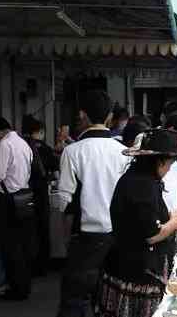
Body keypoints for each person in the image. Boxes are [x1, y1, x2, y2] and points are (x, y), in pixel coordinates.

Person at [95, 129, 177, 317]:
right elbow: (150, 235)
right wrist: (175, 223)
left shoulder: (140, 179)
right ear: (160, 160)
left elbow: (145, 217)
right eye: (170, 164)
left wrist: (173, 217)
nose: (169, 169)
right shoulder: (143, 184)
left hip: (126, 267)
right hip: (136, 272)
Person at [55, 89, 130, 317]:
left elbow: (64, 201)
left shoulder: (72, 151)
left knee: (75, 299)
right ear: (109, 117)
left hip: (86, 238)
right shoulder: (124, 152)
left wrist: (66, 239)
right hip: (118, 236)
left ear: (82, 115)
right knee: (110, 297)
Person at [0, 117, 35, 300]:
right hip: (24, 196)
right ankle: (25, 285)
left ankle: (16, 288)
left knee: (10, 246)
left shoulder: (4, 144)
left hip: (8, 200)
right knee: (23, 244)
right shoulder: (23, 144)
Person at [22, 114, 57, 277]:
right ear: (41, 131)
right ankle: (44, 264)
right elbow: (55, 169)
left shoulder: (23, 147)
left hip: (26, 194)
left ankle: (31, 265)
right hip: (42, 193)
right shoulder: (45, 148)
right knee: (44, 229)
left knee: (30, 231)